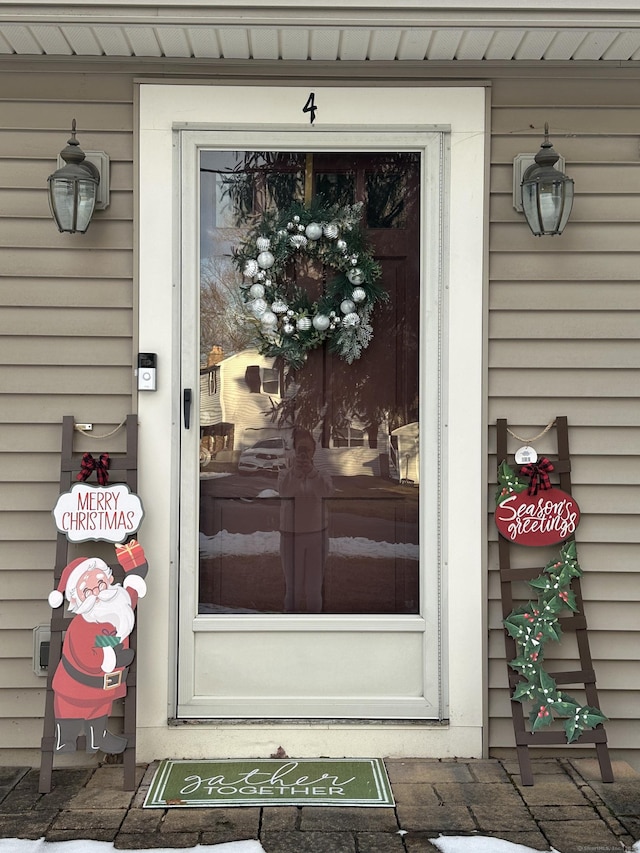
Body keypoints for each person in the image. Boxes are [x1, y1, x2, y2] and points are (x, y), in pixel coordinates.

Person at [47, 540, 148, 754]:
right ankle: (65, 740)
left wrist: (137, 570)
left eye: (101, 584)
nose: (98, 592)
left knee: (100, 710)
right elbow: (87, 654)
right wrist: (113, 657)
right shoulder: (82, 625)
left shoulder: (117, 605)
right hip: (77, 685)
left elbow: (129, 595)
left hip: (104, 686)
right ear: (76, 598)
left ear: (109, 580)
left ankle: (97, 739)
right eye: (88, 590)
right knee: (69, 712)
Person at [278, 429, 333, 613]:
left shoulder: (322, 474)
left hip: (317, 536)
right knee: (292, 589)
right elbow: (285, 493)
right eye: (300, 449)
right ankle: (289, 630)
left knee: (314, 589)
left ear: (313, 452)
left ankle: (315, 630)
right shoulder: (285, 474)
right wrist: (296, 473)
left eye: (307, 450)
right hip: (290, 536)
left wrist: (312, 473)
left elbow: (326, 493)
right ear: (294, 451)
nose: (303, 454)